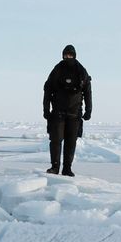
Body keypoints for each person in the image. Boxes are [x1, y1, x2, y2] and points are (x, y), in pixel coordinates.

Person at [43, 44, 92, 176]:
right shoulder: (57, 69)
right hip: (58, 112)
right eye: (65, 55)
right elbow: (47, 89)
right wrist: (46, 109)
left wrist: (89, 109)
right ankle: (54, 167)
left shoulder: (81, 71)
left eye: (70, 55)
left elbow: (88, 91)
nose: (68, 57)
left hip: (74, 113)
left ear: (74, 56)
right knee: (56, 140)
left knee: (71, 142)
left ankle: (67, 168)